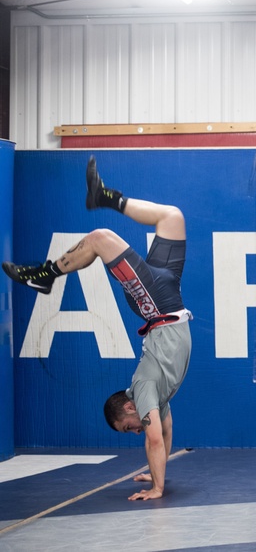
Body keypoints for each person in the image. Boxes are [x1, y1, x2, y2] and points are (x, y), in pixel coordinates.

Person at [2, 156, 192, 502]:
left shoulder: (145, 389)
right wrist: (156, 467)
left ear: (130, 409)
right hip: (169, 298)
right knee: (172, 216)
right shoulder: (156, 400)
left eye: (127, 428)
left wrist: (157, 488)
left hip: (157, 305)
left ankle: (45, 276)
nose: (135, 432)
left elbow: (152, 438)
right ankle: (105, 197)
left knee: (100, 237)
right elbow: (164, 432)